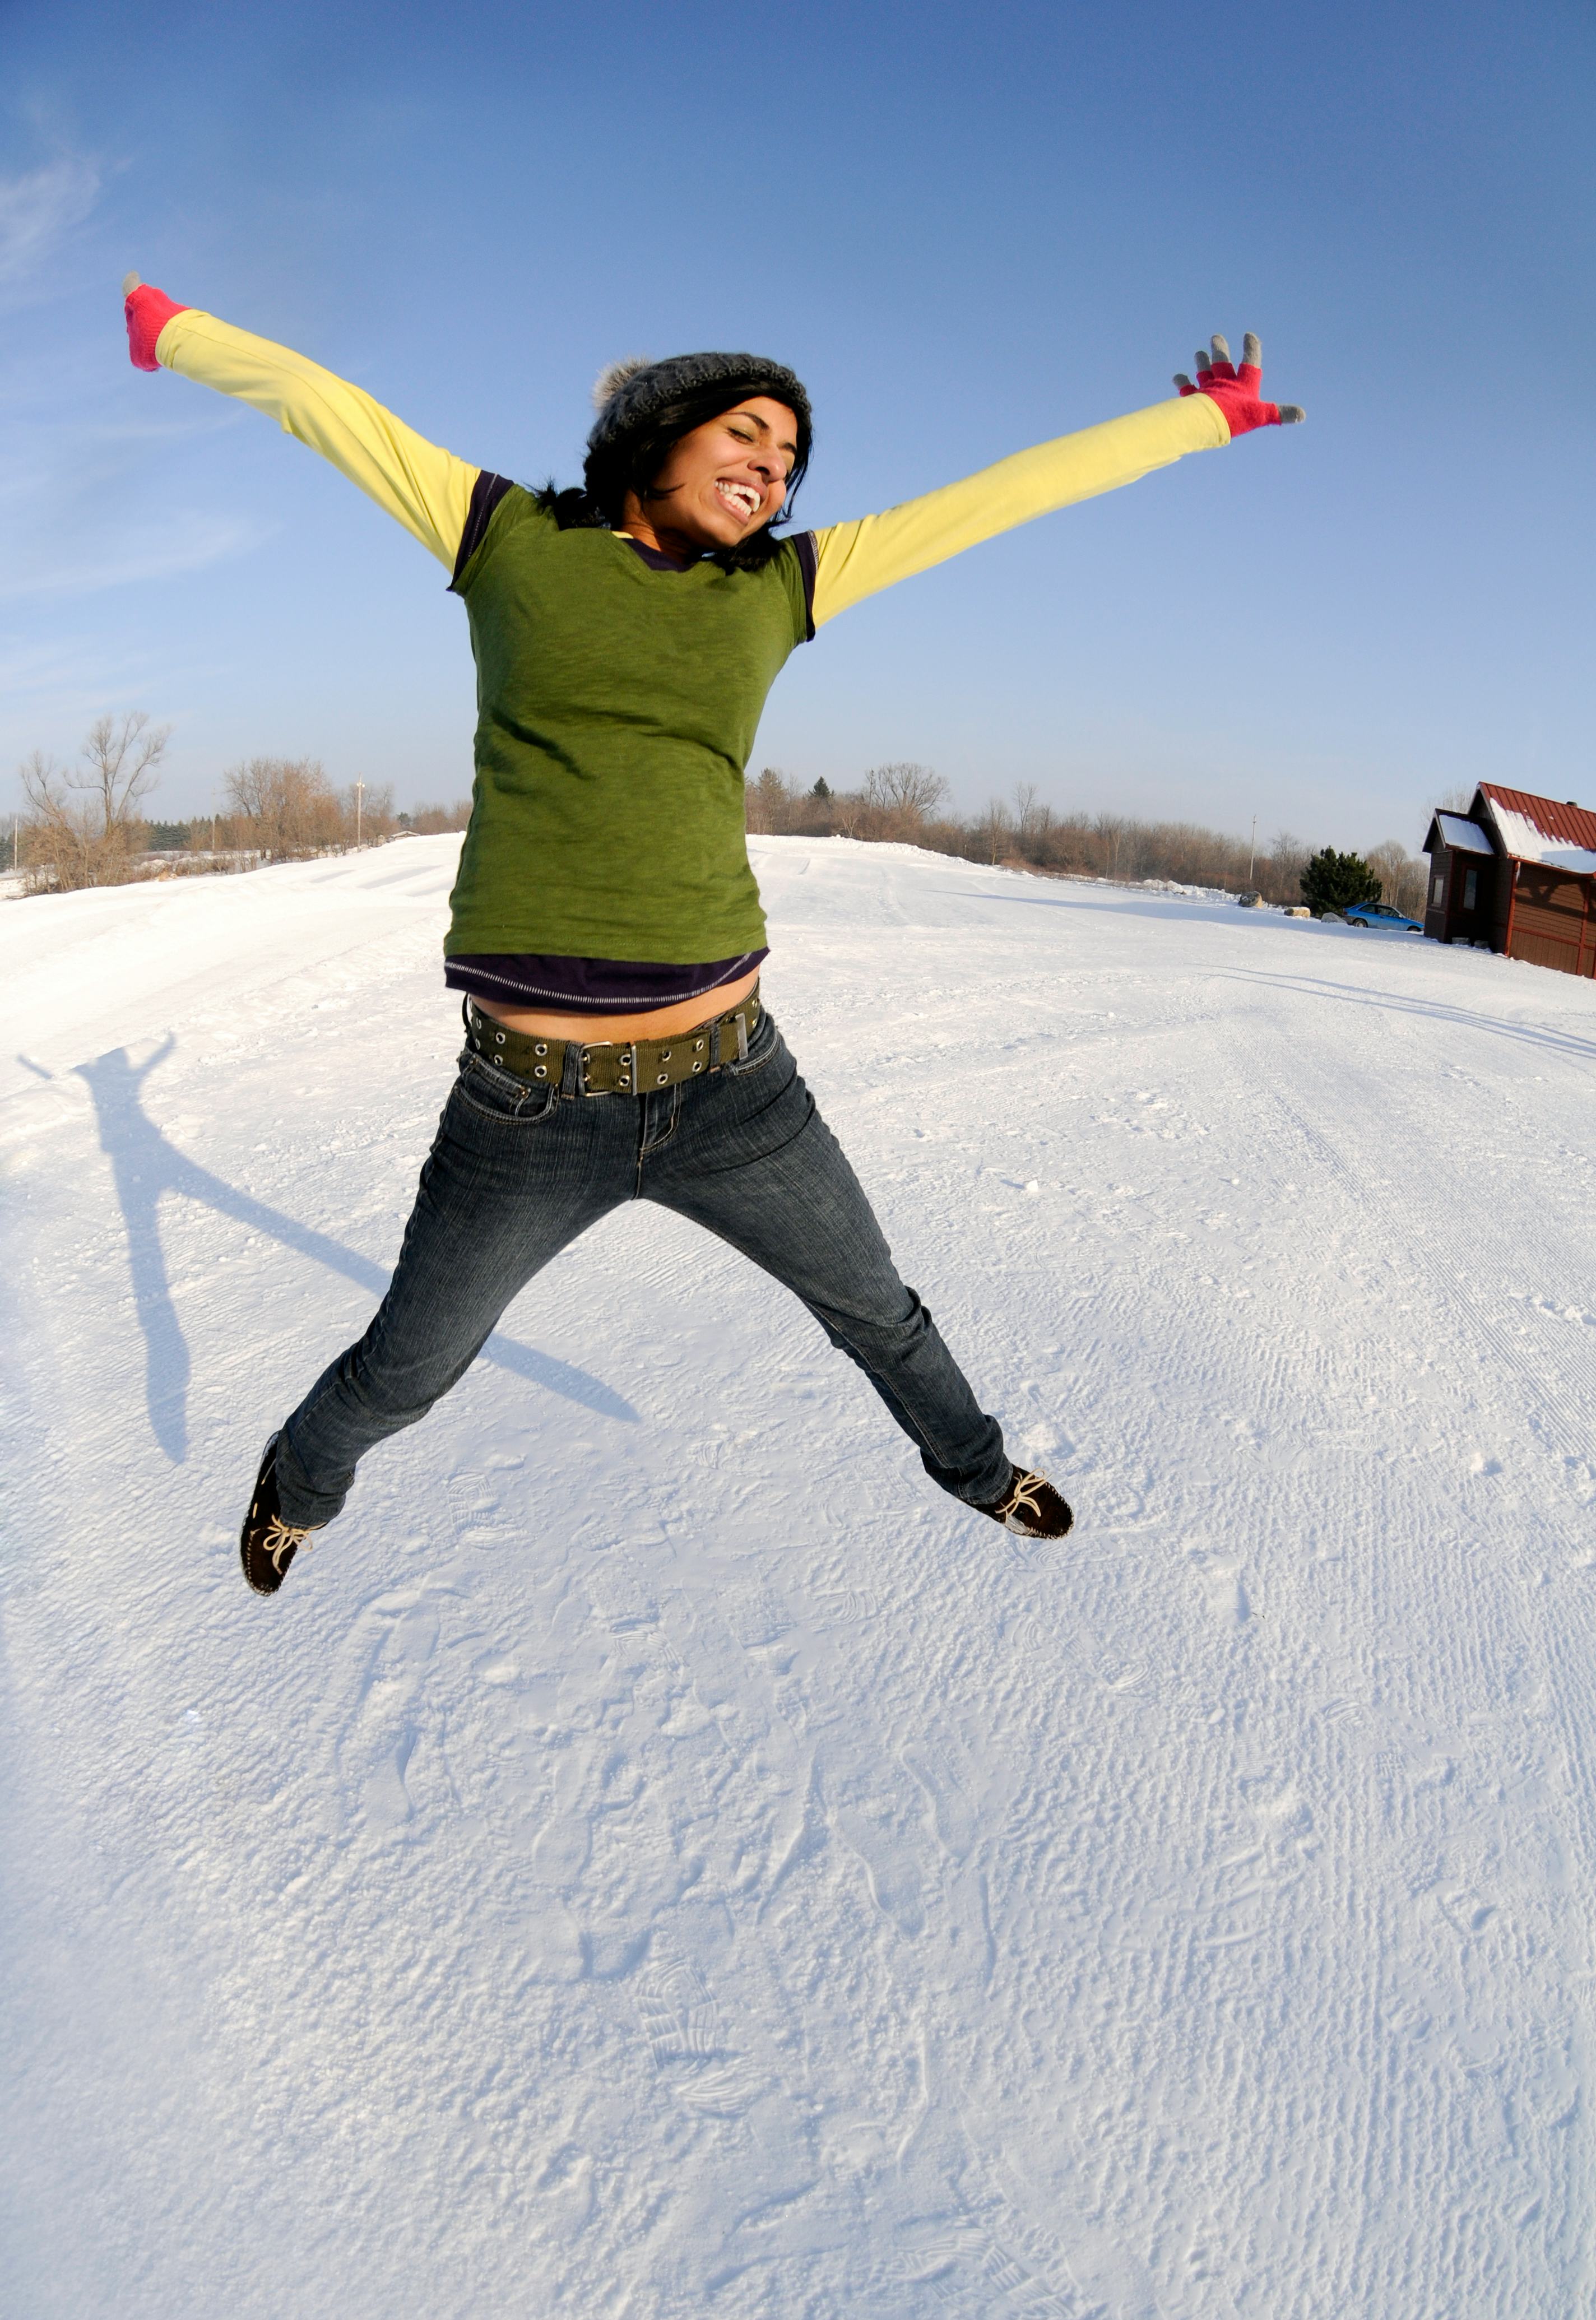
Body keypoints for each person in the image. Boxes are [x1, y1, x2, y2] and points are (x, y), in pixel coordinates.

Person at [119, 277, 1302, 1594]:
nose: (772, 468)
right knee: (411, 1362)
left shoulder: (776, 588)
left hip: (735, 1084)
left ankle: (976, 1468)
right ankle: (298, 1483)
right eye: (746, 433)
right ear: (655, 435)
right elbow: (333, 412)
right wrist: (177, 333)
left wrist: (1199, 424)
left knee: (878, 1310)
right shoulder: (504, 536)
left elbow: (991, 499)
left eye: (788, 456)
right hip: (528, 1106)